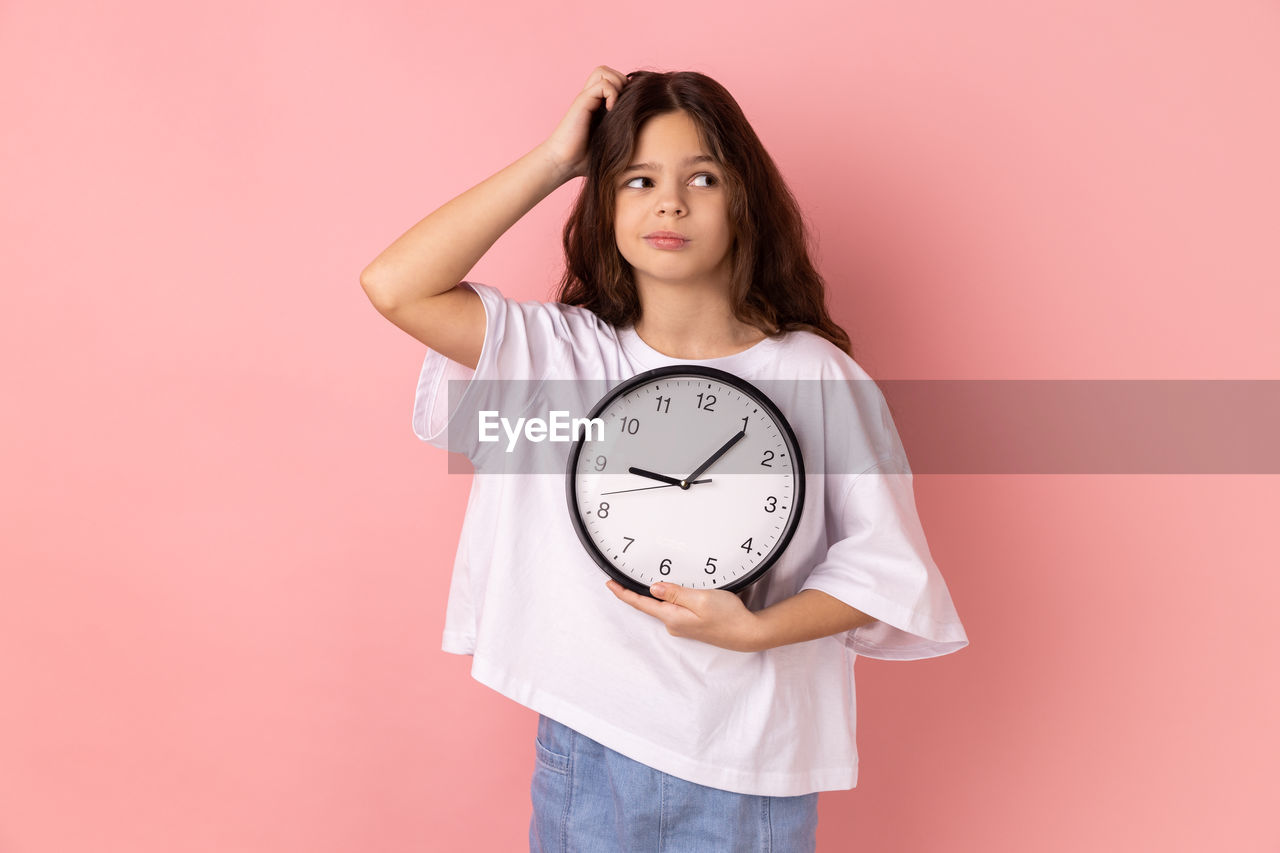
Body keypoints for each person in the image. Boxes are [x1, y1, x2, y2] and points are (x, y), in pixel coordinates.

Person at [360, 66, 969, 853]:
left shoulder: (813, 374)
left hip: (747, 761)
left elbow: (889, 570)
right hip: (588, 743)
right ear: (603, 201)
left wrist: (755, 630)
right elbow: (395, 286)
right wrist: (555, 160)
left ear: (742, 201)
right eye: (638, 179)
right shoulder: (561, 355)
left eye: (702, 177)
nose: (670, 202)